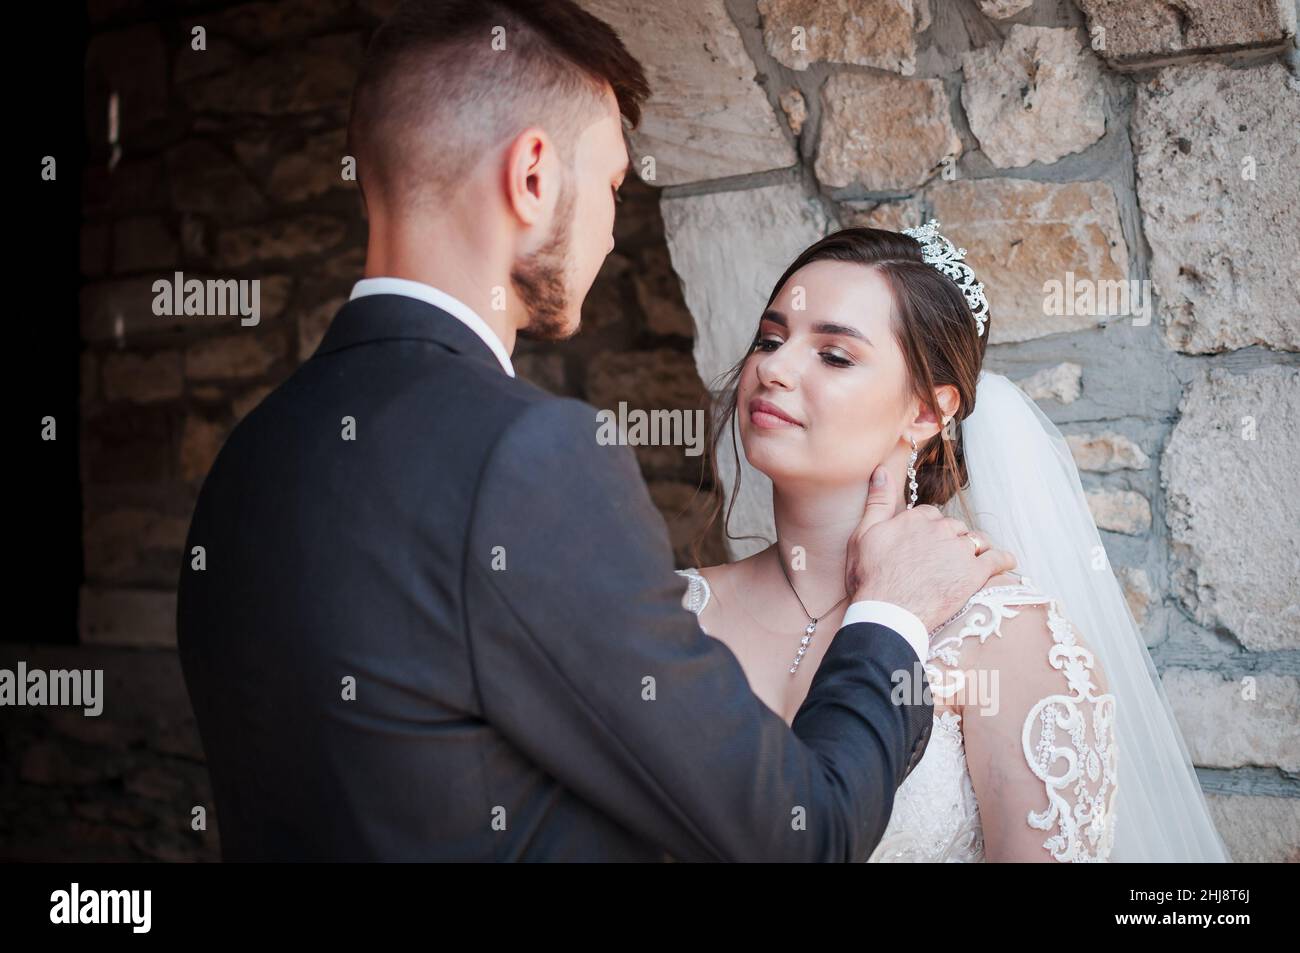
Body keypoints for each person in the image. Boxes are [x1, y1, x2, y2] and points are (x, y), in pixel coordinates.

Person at [175, 0, 1013, 861]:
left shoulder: (253, 453)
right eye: (613, 186)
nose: (613, 233)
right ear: (533, 177)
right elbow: (802, 834)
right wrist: (891, 617)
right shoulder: (528, 460)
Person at [678, 223, 1230, 862]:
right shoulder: (676, 612)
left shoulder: (1005, 642)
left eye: (833, 354)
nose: (772, 367)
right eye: (770, 339)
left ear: (925, 413)